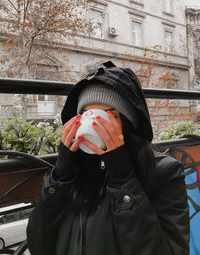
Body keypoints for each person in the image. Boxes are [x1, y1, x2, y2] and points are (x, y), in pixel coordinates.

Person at [27, 61, 190, 255]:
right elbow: (38, 245)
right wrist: (60, 176)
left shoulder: (163, 173)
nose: (95, 125)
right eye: (87, 115)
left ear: (129, 123)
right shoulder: (77, 171)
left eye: (108, 116)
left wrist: (124, 181)